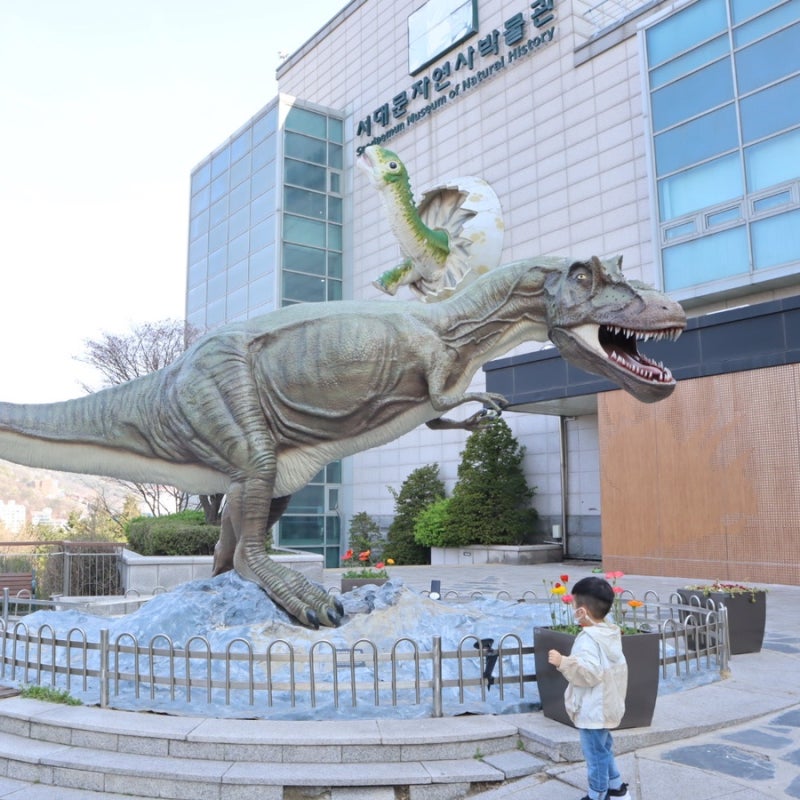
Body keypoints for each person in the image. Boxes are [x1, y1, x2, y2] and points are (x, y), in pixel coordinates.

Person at [547, 576, 630, 800]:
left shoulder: (588, 640)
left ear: (582, 611)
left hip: (593, 709)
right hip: (606, 705)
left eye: (574, 606)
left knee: (595, 755)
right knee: (603, 749)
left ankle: (598, 794)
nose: (572, 610)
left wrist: (563, 662)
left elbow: (590, 673)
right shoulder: (609, 633)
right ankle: (616, 787)